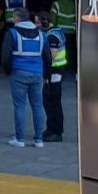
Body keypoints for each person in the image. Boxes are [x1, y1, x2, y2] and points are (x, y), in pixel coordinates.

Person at [3, 9, 47, 148]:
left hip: (19, 73)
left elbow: (5, 55)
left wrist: (8, 71)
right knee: (38, 106)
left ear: (17, 18)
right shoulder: (41, 35)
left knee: (19, 106)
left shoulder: (12, 33)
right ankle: (39, 140)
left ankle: (20, 139)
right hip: (37, 74)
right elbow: (47, 57)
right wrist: (45, 74)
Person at [40, 10, 67, 143]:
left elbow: (51, 55)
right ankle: (51, 128)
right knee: (50, 101)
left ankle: (56, 131)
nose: (36, 25)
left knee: (52, 101)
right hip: (57, 71)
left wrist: (44, 73)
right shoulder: (57, 31)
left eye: (38, 22)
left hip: (53, 71)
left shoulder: (51, 37)